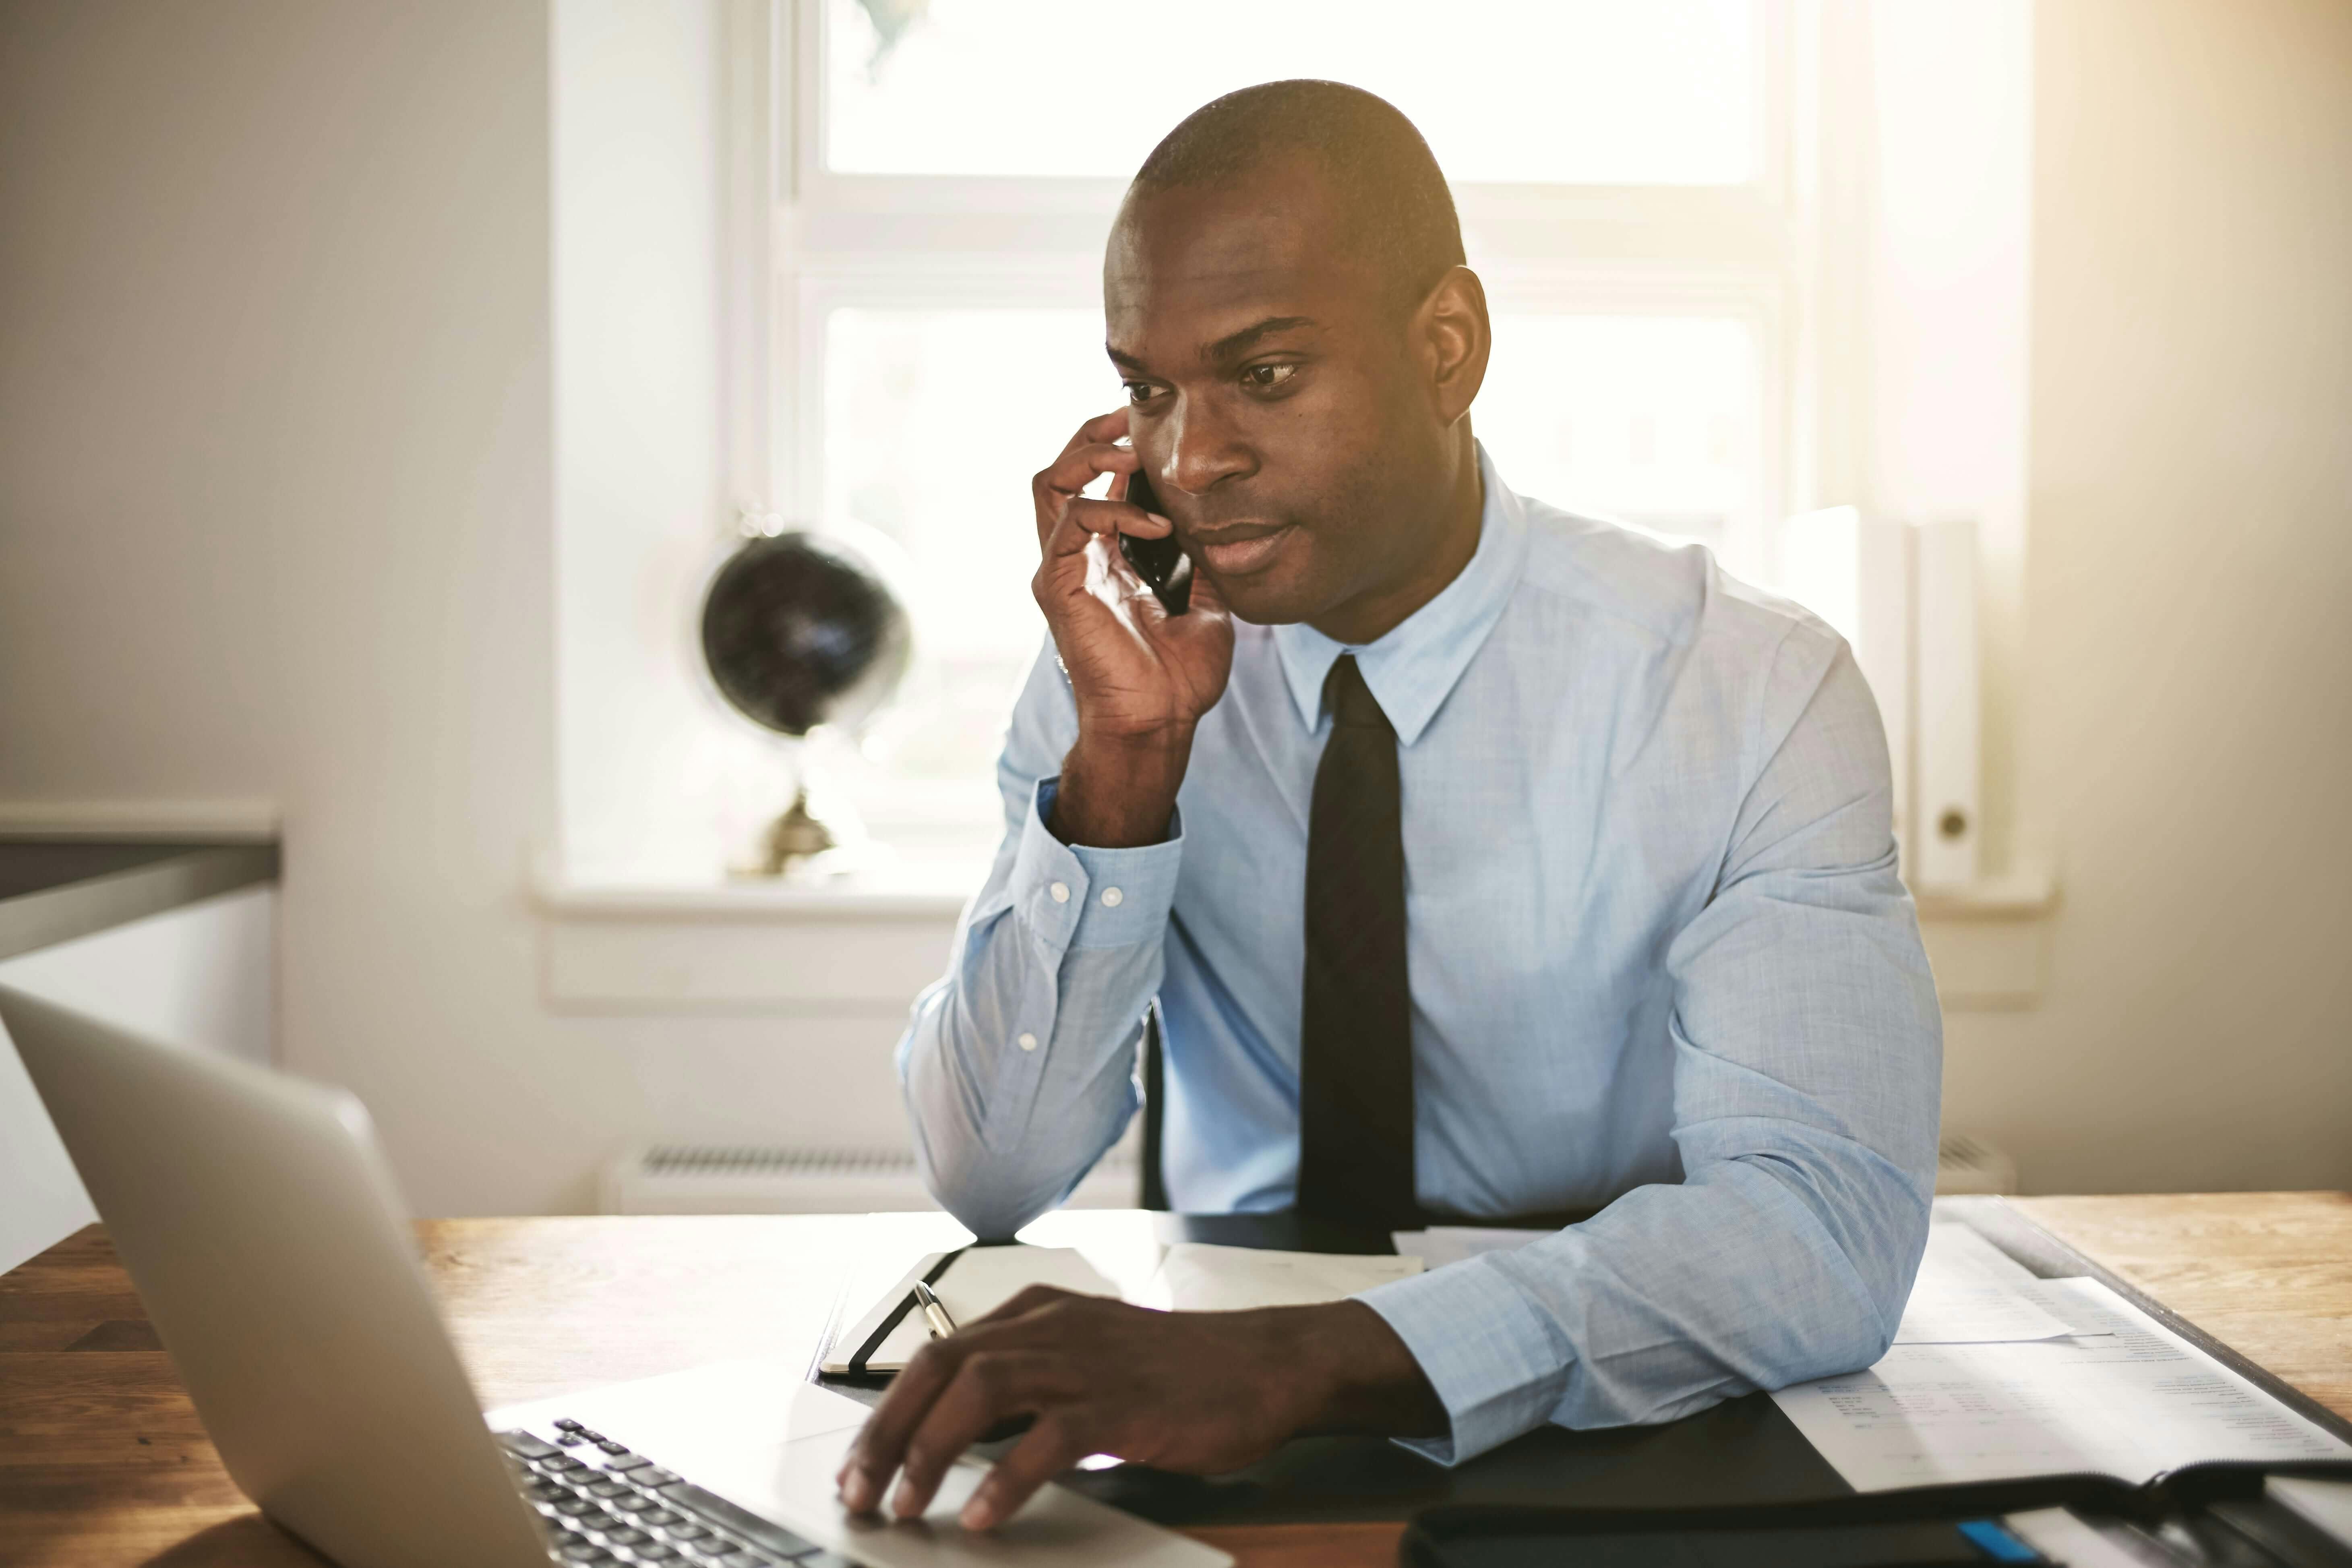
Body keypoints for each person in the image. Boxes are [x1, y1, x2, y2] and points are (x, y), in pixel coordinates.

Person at [837, 80, 1941, 1531]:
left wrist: (1306, 1363)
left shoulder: (1745, 690)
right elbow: (990, 1177)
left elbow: (1819, 1234)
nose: (1190, 458)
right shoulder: (1120, 667)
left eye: (1268, 375)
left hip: (1615, 1408)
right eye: (1151, 390)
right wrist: (1117, 774)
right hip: (1194, 1407)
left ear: (1447, 349)